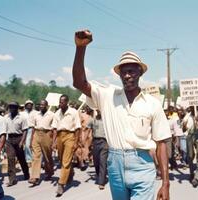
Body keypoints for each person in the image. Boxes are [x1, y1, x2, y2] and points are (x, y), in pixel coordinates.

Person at [73, 29, 171, 200]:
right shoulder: (108, 95)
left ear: (140, 73)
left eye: (132, 71)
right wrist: (80, 48)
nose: (127, 76)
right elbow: (79, 82)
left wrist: (165, 183)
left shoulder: (153, 104)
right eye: (123, 72)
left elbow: (161, 143)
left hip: (142, 164)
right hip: (115, 163)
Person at [52, 95, 81, 197]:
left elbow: (77, 128)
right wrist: (54, 141)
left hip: (70, 135)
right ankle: (70, 173)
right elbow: (54, 129)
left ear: (67, 102)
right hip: (60, 136)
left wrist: (76, 142)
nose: (60, 104)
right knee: (62, 159)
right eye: (60, 102)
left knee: (65, 161)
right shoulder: (56, 113)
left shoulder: (74, 112)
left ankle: (61, 184)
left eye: (62, 102)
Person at [28, 100, 54, 186]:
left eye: (43, 105)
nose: (41, 106)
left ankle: (49, 172)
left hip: (47, 134)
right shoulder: (35, 115)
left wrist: (53, 140)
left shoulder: (51, 115)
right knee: (36, 156)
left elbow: (54, 128)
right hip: (36, 133)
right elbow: (32, 128)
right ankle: (34, 177)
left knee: (47, 156)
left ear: (47, 105)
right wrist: (31, 140)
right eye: (40, 105)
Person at [5, 102, 30, 186]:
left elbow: (25, 130)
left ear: (17, 108)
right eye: (10, 107)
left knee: (21, 158)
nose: (12, 108)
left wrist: (22, 141)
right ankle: (11, 179)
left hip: (19, 138)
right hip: (10, 139)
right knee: (10, 159)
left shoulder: (22, 118)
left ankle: (26, 174)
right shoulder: (6, 117)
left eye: (14, 107)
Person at [183, 106, 198, 188]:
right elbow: (184, 130)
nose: (191, 108)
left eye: (193, 107)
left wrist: (197, 119)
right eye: (190, 107)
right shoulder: (187, 116)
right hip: (190, 136)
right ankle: (192, 172)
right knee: (190, 156)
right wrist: (184, 125)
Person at [87, 110, 108, 190]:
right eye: (97, 109)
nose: (99, 111)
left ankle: (101, 182)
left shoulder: (107, 120)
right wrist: (86, 141)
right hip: (95, 142)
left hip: (104, 142)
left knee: (103, 161)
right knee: (96, 162)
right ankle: (101, 176)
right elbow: (88, 130)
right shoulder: (93, 120)